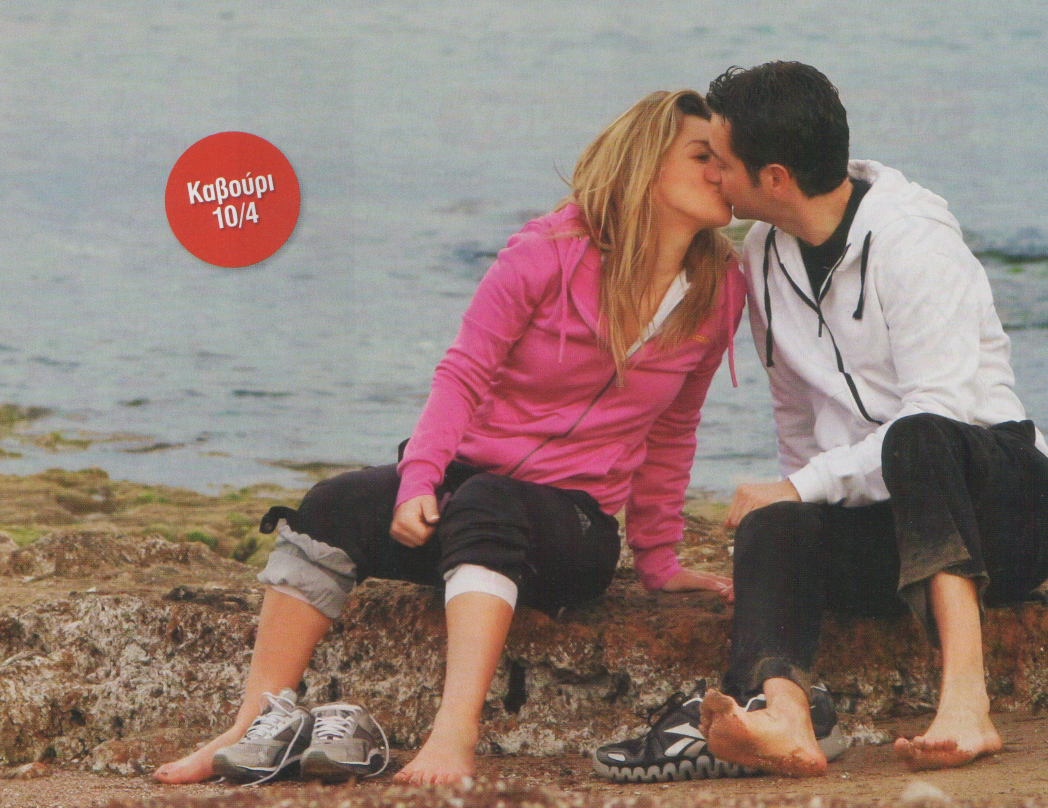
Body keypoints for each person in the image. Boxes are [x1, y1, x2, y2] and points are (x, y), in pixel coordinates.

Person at [153, 88, 747, 787]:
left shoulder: (719, 288)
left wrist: (659, 558)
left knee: (489, 503)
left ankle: (452, 735)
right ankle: (250, 726)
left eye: (726, 159)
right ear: (643, 165)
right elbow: (464, 373)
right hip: (471, 493)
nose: (722, 173)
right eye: (703, 156)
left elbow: (674, 428)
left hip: (572, 527)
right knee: (334, 504)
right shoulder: (547, 253)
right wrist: (419, 479)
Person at [593, 62, 1048, 781]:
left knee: (916, 437)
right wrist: (795, 511)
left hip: (1003, 515)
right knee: (773, 522)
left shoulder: (913, 240)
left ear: (774, 177)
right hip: (893, 530)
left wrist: (804, 484)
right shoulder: (763, 254)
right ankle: (784, 717)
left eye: (721, 161)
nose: (713, 174)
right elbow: (795, 412)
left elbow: (939, 409)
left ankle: (967, 704)